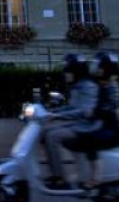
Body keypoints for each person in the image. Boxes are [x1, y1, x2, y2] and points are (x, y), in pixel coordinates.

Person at [72, 51, 119, 190]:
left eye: (99, 66)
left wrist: (94, 112)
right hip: (108, 125)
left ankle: (96, 177)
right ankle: (82, 172)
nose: (96, 68)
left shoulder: (112, 86)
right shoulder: (102, 84)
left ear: (106, 68)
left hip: (115, 128)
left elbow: (111, 106)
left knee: (89, 137)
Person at [42, 53, 98, 190]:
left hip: (87, 126)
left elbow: (84, 111)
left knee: (52, 136)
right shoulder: (77, 86)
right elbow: (72, 107)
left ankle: (60, 179)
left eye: (68, 70)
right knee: (45, 133)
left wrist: (57, 116)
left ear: (76, 71)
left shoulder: (88, 87)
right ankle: (57, 174)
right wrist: (52, 111)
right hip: (79, 124)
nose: (65, 73)